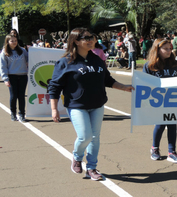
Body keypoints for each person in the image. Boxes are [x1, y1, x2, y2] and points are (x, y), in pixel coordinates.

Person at [48, 28, 134, 181]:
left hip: (97, 104)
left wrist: (124, 87)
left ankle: (92, 168)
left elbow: (107, 80)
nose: (91, 40)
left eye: (92, 37)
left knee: (95, 137)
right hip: (76, 105)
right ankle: (77, 157)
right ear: (75, 41)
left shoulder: (97, 59)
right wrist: (54, 109)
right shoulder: (65, 62)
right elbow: (54, 86)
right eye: (86, 38)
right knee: (85, 136)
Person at [142, 38, 177, 163]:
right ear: (157, 50)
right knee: (160, 124)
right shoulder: (150, 65)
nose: (169, 51)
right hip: (157, 101)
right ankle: (154, 148)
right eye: (165, 49)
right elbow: (144, 83)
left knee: (172, 123)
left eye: (170, 48)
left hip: (172, 99)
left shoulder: (175, 64)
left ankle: (172, 151)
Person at [0, 34, 28, 122]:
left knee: (21, 96)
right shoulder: (4, 52)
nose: (14, 42)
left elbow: (29, 59)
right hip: (12, 77)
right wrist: (5, 79)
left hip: (23, 76)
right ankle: (13, 113)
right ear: (7, 42)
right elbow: (3, 67)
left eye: (15, 41)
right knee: (13, 96)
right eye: (12, 41)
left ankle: (22, 114)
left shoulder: (23, 51)